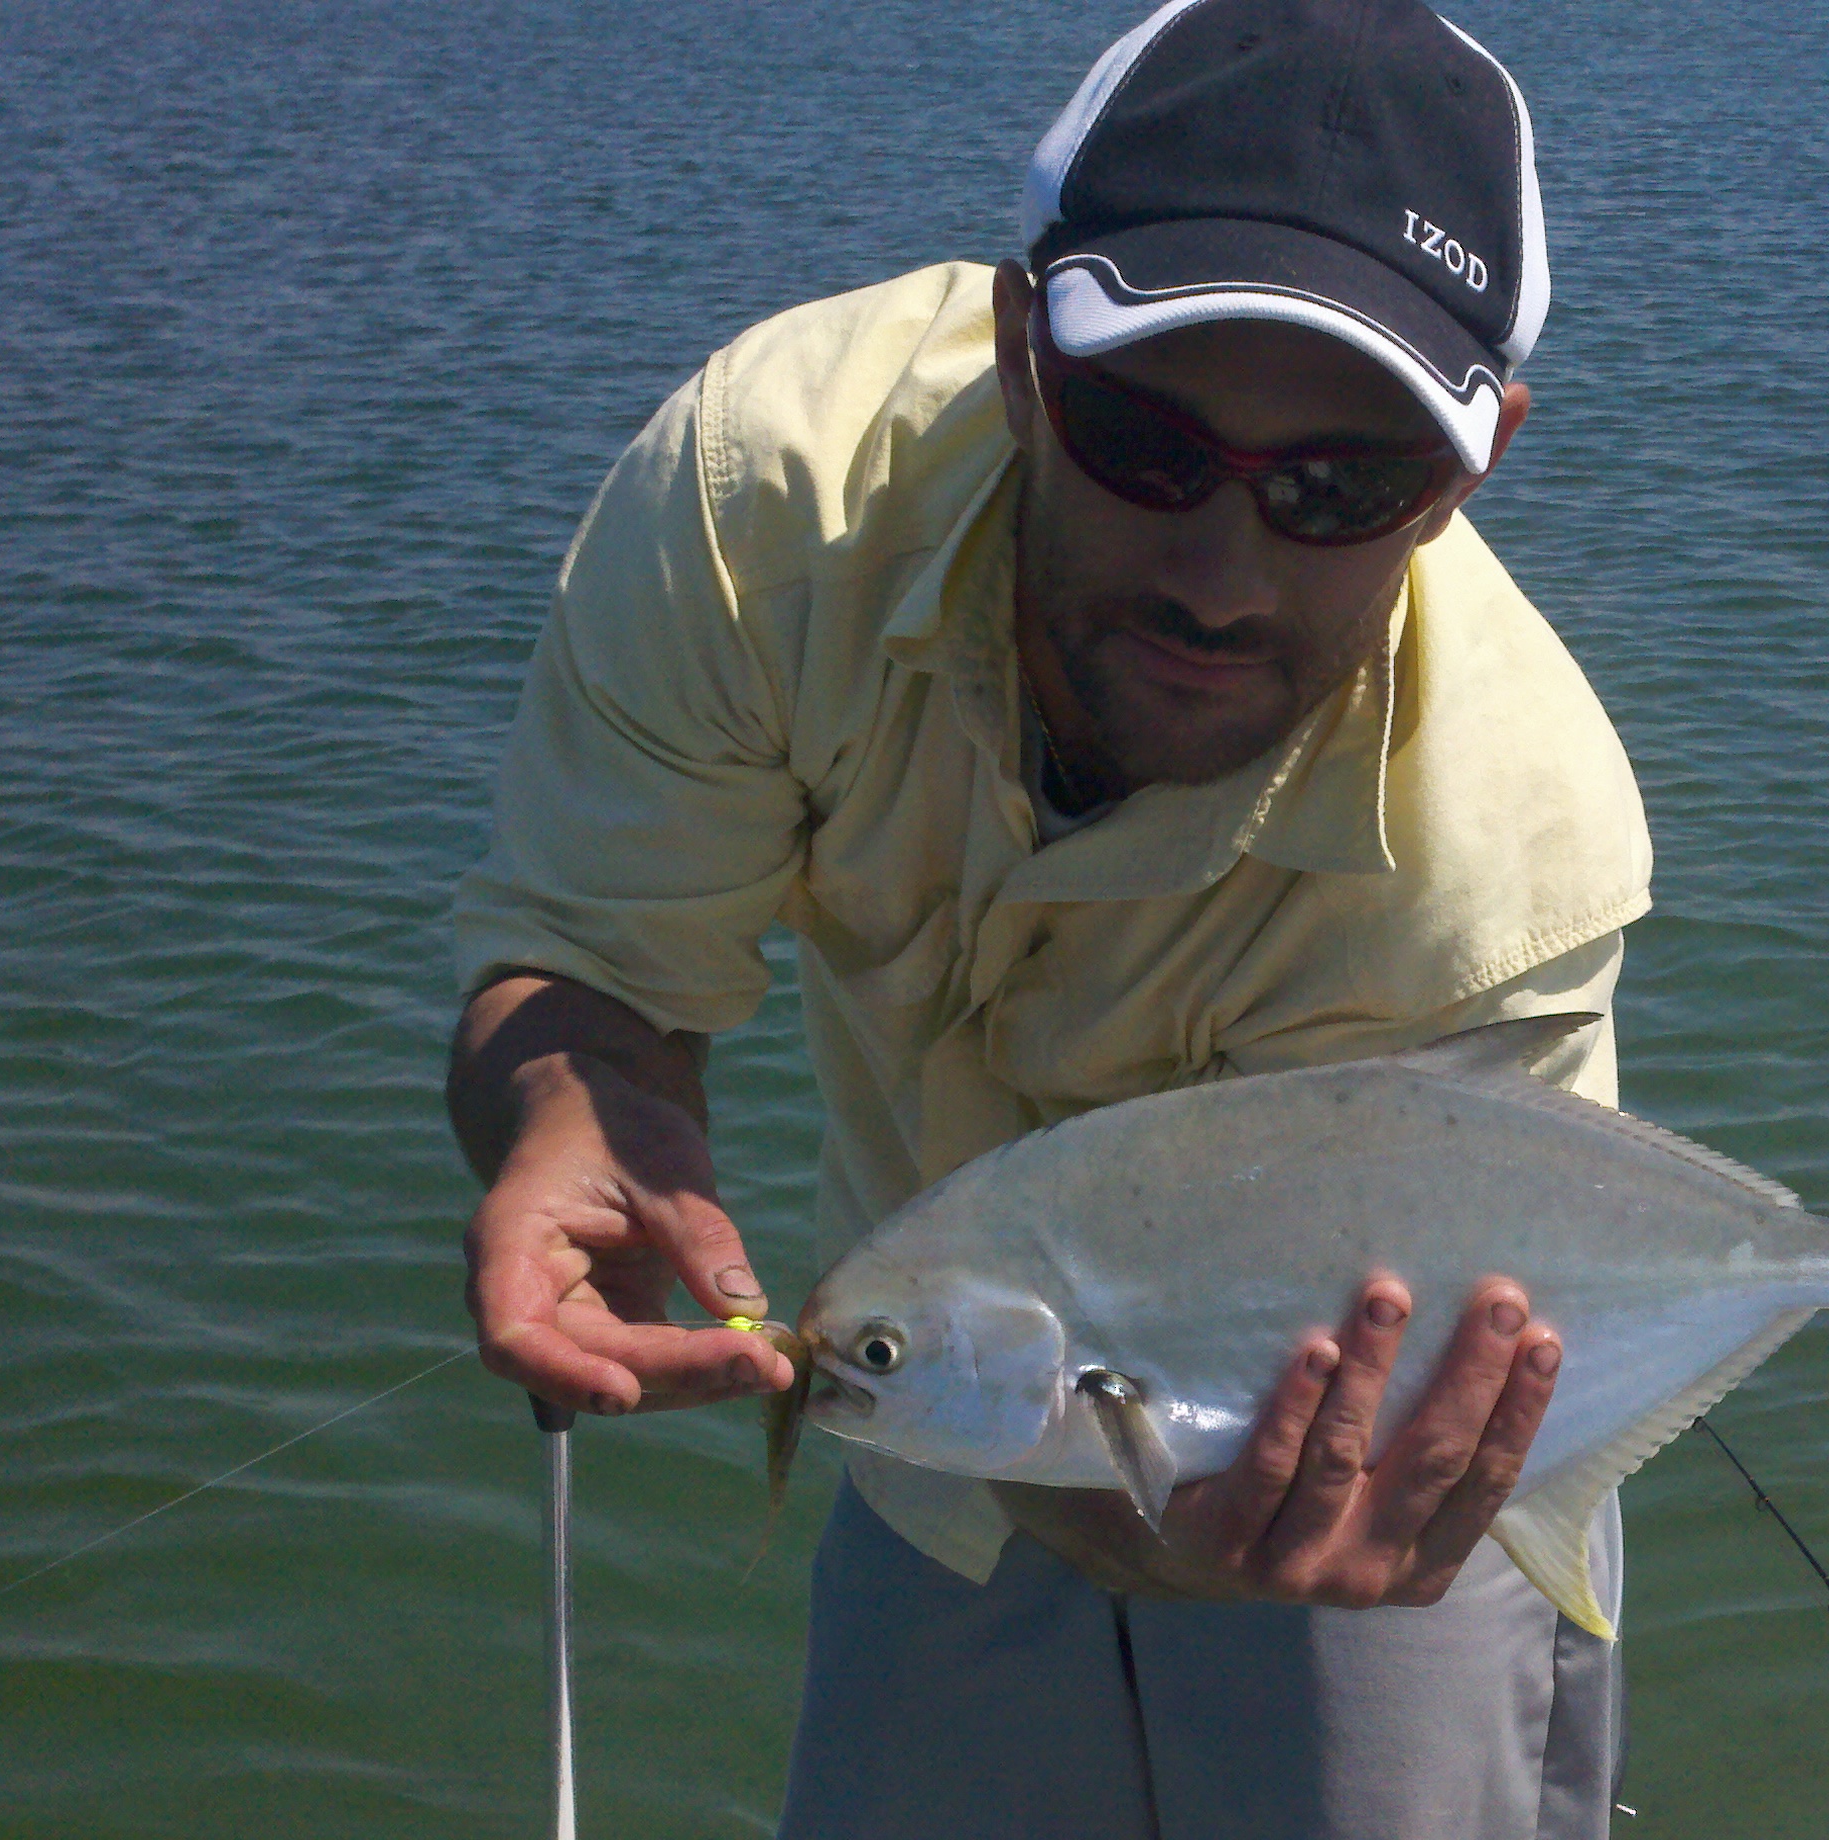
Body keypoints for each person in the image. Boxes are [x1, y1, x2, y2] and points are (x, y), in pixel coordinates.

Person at [445, 1, 1650, 1833]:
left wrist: (1284, 1503)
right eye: (1144, 439)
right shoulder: (764, 510)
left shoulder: (1501, 854)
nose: (1221, 575)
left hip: (1351, 1493)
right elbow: (588, 960)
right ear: (1021, 353)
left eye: (1343, 489)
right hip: (945, 1403)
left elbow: (1466, 1313)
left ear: (1472, 470)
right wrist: (568, 1107)